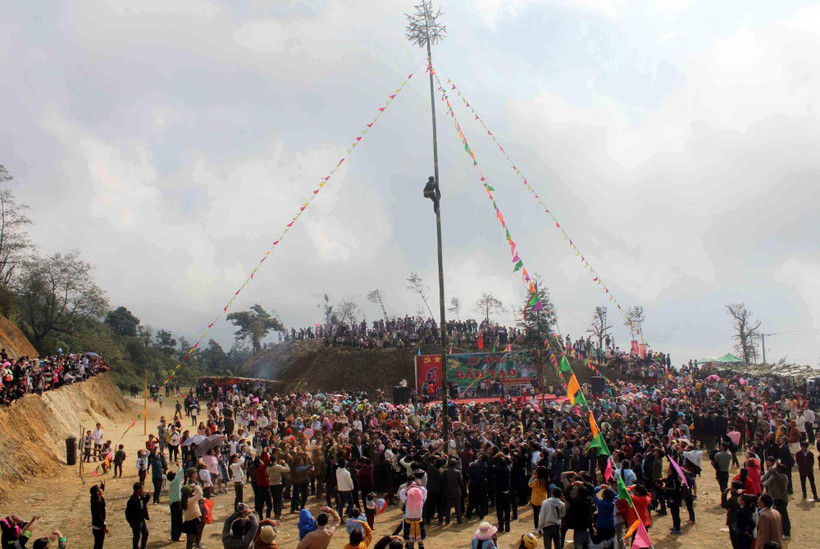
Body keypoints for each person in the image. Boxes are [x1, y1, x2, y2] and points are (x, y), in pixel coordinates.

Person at [761, 459, 790, 539]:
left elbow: (773, 471)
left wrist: (775, 464)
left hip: (781, 499)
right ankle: (782, 531)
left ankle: (786, 532)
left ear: (781, 470)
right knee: (779, 516)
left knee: (783, 516)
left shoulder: (782, 477)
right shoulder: (777, 476)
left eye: (778, 469)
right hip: (777, 499)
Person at [125, 482, 150, 549]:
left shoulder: (140, 497)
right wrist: (131, 522)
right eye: (142, 489)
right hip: (136, 521)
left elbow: (144, 503)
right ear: (137, 490)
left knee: (145, 533)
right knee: (137, 537)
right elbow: (128, 513)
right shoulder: (132, 500)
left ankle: (143, 547)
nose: (143, 490)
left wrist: (148, 497)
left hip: (141, 519)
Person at [181, 478, 204, 549]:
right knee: (190, 541)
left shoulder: (185, 500)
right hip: (192, 522)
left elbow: (197, 494)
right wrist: (196, 486)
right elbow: (200, 493)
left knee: (190, 541)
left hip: (189, 521)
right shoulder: (191, 501)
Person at [167, 469, 184, 542]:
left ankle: (175, 535)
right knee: (178, 520)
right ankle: (176, 537)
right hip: (176, 503)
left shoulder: (173, 483)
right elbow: (180, 473)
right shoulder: (174, 482)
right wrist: (180, 467)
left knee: (175, 520)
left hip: (174, 503)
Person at [90, 482, 107, 549]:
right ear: (97, 492)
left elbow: (100, 494)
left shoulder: (94, 498)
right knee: (98, 545)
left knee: (98, 544)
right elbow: (99, 517)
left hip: (96, 526)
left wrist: (102, 485)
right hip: (99, 527)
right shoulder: (97, 503)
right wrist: (104, 527)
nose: (101, 490)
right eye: (100, 489)